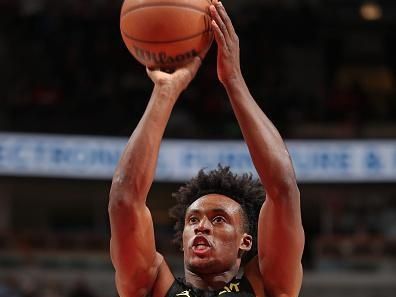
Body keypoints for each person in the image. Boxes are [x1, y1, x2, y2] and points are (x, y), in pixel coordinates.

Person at [108, 1, 305, 297]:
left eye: (218, 219)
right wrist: (165, 91)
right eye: (193, 220)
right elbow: (125, 201)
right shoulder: (153, 288)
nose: (202, 226)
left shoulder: (266, 287)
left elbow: (283, 189)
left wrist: (234, 81)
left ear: (245, 242)